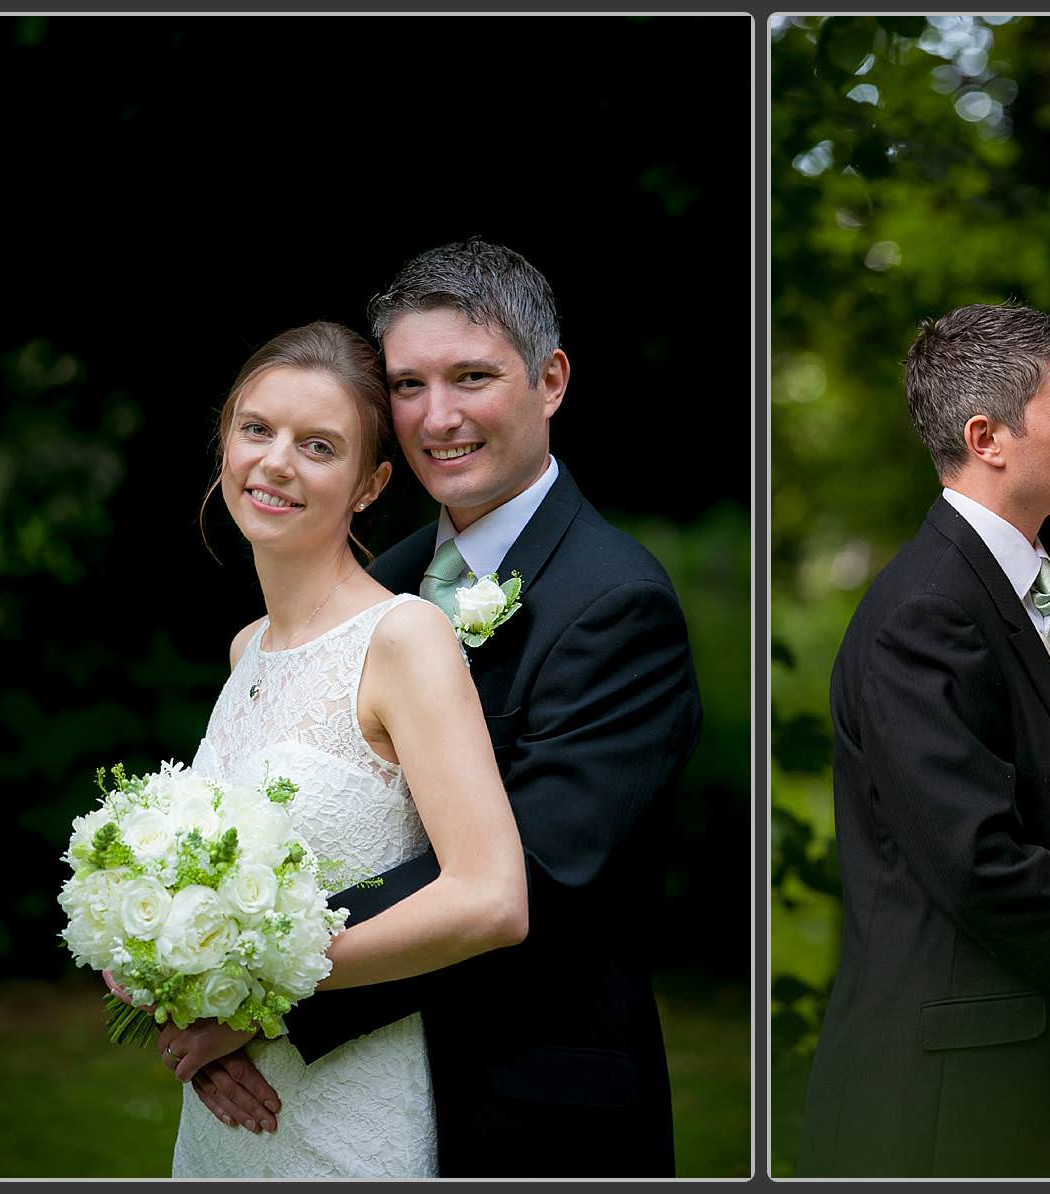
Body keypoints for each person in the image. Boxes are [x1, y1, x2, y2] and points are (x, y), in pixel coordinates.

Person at [165, 240, 704, 1177]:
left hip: (528, 1099)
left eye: (472, 377)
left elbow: (537, 873)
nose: (437, 417)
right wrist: (183, 975)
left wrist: (247, 988)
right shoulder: (386, 579)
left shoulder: (617, 601)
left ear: (552, 380)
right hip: (327, 1083)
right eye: (409, 384)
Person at [127, 318, 529, 1178]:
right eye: (256, 430)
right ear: (224, 444)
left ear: (369, 483)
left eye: (318, 446)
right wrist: (165, 985)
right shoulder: (245, 650)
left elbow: (492, 898)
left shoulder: (405, 637)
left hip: (349, 1115)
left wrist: (257, 994)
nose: (275, 463)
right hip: (222, 1125)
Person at [800, 301, 1050, 1177]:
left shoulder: (1023, 586)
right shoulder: (925, 612)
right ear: (987, 437)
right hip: (948, 1100)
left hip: (1017, 1073)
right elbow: (978, 859)